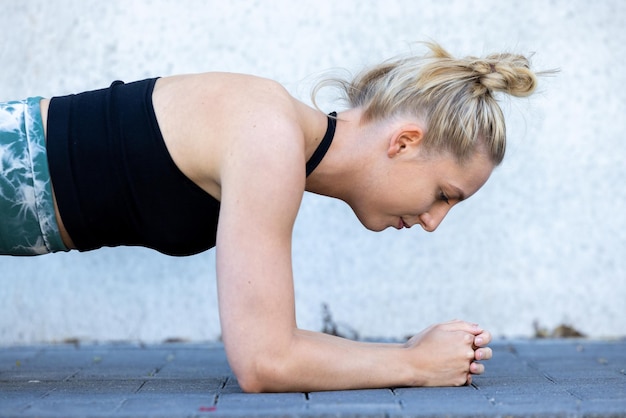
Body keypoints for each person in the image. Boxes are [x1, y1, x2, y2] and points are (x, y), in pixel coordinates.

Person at [0, 42, 543, 392]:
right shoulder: (270, 138)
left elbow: (271, 347)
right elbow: (265, 361)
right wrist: (415, 365)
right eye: (444, 194)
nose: (433, 221)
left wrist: (409, 355)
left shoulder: (275, 134)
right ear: (403, 143)